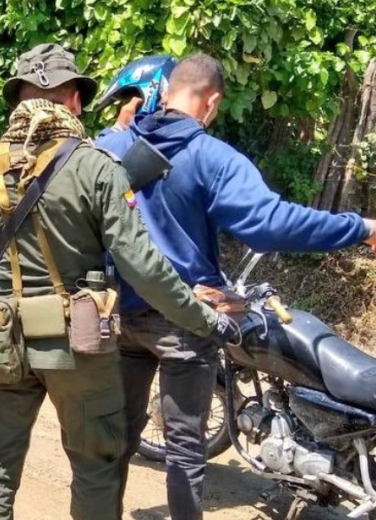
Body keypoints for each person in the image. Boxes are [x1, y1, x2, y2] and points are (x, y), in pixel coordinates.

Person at [0, 43, 238, 520]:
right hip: (77, 346)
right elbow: (144, 268)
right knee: (95, 466)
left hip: (0, 340)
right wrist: (204, 319)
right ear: (74, 101)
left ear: (18, 102)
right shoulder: (95, 168)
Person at [95, 53, 376, 520]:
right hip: (185, 316)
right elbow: (267, 224)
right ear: (213, 102)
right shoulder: (210, 156)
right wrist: (359, 227)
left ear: (164, 93)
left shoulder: (114, 146)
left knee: (119, 433)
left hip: (122, 314)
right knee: (186, 448)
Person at [94, 54, 178, 138]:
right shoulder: (182, 131)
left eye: (127, 102)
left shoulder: (143, 140)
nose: (124, 110)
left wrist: (119, 127)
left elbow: (102, 148)